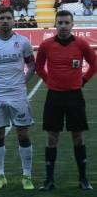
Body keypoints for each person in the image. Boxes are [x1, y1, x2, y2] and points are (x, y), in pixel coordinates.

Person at [35, 10, 97, 191]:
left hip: (74, 96)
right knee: (52, 137)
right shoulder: (46, 45)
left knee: (77, 137)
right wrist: (49, 81)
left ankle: (83, 179)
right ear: (55, 24)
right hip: (54, 96)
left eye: (66, 23)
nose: (63, 26)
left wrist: (83, 81)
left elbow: (94, 64)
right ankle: (49, 180)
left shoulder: (81, 44)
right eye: (60, 23)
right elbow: (38, 67)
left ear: (72, 24)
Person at [0, 6, 36, 190]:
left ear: (14, 21)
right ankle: (0, 176)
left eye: (8, 18)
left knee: (23, 132)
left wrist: (23, 82)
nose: (5, 21)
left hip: (18, 94)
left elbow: (31, 65)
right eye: (2, 18)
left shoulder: (23, 42)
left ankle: (27, 176)